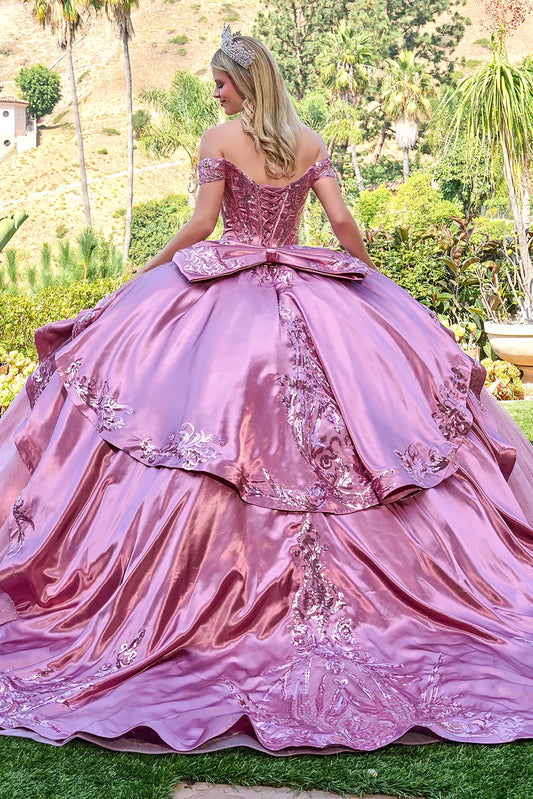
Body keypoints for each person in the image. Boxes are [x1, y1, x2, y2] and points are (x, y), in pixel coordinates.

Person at [1, 26, 533, 756]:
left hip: (232, 296)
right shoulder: (308, 141)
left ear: (242, 83)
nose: (214, 91)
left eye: (220, 80)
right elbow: (343, 223)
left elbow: (200, 225)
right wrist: (373, 282)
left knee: (209, 417)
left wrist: (141, 277)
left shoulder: (219, 135)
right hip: (312, 294)